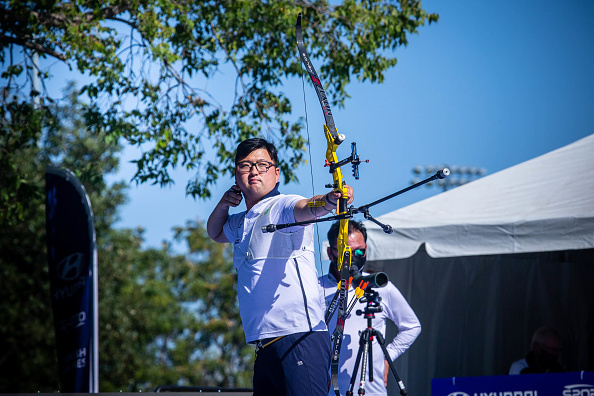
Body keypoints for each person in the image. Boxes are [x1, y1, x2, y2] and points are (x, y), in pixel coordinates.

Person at [207, 137, 354, 396]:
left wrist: (332, 200)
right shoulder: (241, 220)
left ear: (276, 174)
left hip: (298, 336)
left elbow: (307, 207)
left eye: (262, 165)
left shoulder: (282, 205)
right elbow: (216, 232)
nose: (253, 171)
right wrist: (224, 203)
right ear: (236, 175)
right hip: (265, 343)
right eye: (245, 165)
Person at [319, 221, 421, 396]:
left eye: (359, 251)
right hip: (326, 390)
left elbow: (411, 326)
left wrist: (386, 357)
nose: (353, 257)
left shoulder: (380, 286)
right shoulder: (314, 286)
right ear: (330, 253)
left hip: (372, 391)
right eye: (345, 253)